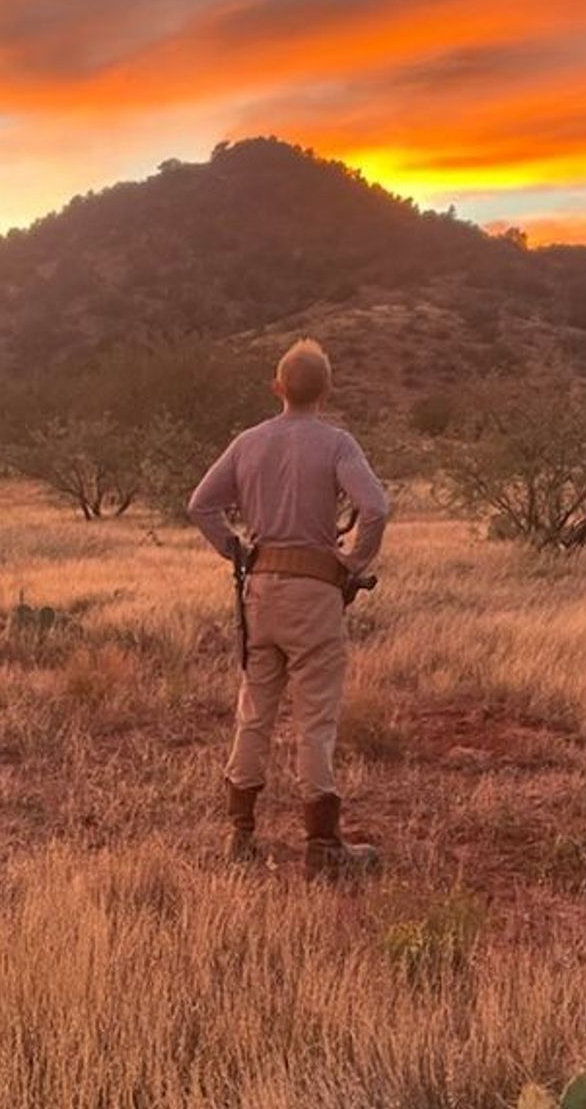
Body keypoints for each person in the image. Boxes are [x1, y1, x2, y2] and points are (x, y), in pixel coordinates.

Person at [188, 338, 389, 878]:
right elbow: (375, 507)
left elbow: (200, 504)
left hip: (261, 590)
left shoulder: (248, 442)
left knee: (254, 711)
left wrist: (237, 550)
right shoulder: (337, 443)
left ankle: (240, 835)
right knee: (315, 720)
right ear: (326, 390)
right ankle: (323, 846)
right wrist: (351, 561)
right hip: (315, 595)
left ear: (278, 388)